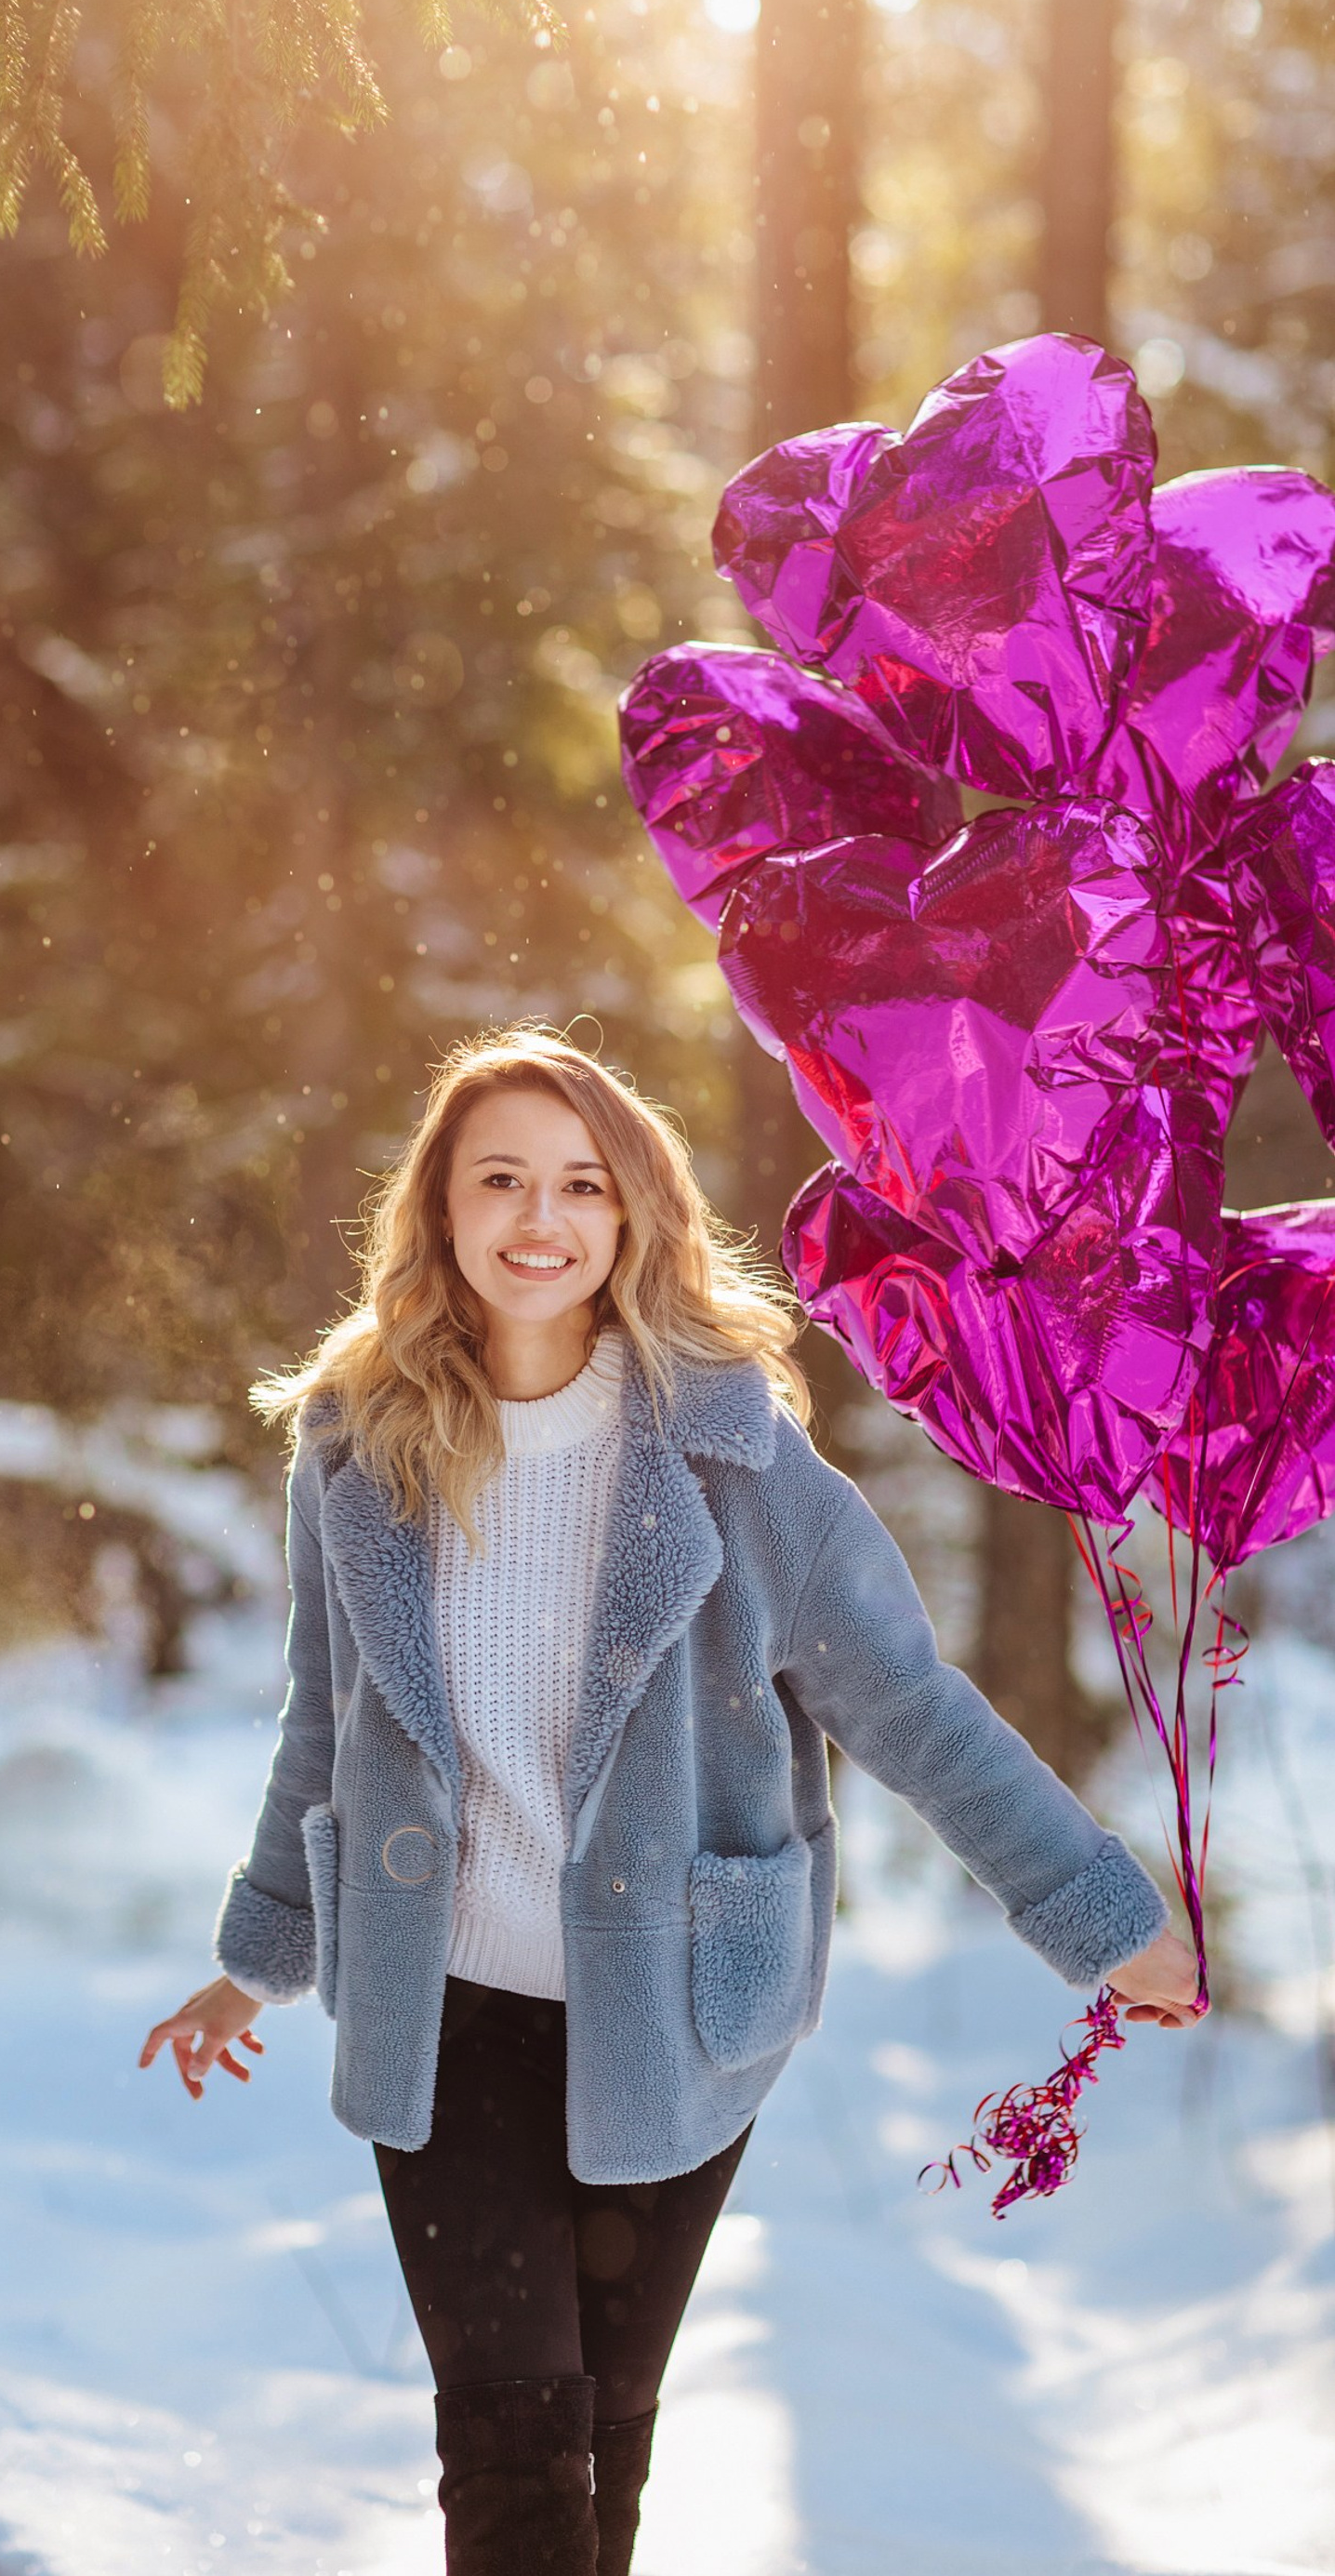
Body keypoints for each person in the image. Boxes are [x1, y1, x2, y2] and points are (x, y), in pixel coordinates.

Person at [140, 1025, 1201, 2575]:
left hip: (679, 2007)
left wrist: (1103, 1919)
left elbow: (909, 1708)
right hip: (442, 2010)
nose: (539, 1219)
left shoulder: (740, 1465)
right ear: (438, 1208)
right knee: (510, 2443)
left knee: (602, 2443)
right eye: (499, 1179)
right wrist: (261, 1959)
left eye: (582, 1185)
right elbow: (327, 1717)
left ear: (634, 1218)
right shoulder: (355, 1447)